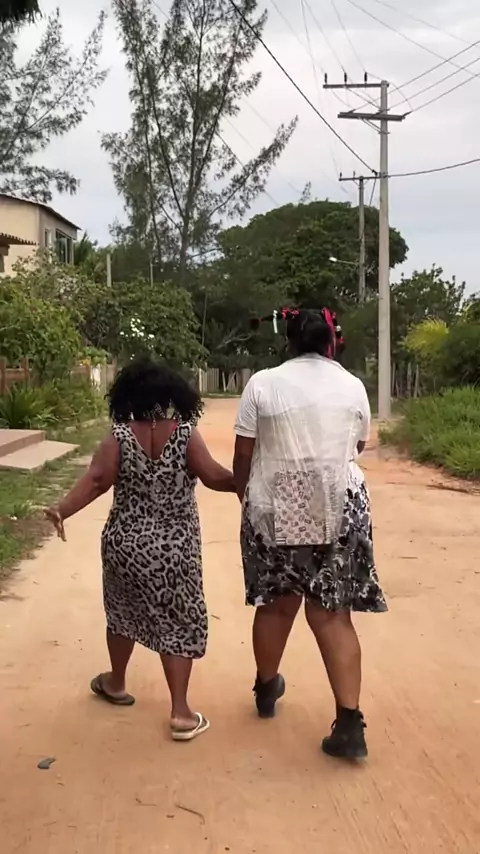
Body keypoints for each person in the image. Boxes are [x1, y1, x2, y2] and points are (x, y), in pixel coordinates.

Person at [45, 356, 235, 741]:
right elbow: (214, 476)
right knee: (178, 621)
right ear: (172, 395)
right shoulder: (185, 433)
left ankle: (116, 682)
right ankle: (180, 713)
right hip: (174, 548)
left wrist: (61, 510)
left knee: (122, 612)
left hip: (125, 544)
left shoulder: (119, 435)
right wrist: (246, 482)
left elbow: (97, 480)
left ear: (127, 395)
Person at [233, 308, 387, 760]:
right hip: (338, 497)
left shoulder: (262, 383)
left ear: (290, 342)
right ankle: (350, 723)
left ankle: (266, 688)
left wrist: (247, 499)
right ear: (330, 343)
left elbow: (243, 454)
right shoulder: (352, 385)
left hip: (278, 498)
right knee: (332, 615)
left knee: (278, 603)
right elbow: (357, 445)